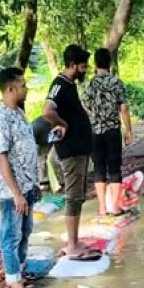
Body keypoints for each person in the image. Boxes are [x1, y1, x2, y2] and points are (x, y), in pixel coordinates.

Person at [42, 44, 100, 261]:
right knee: (73, 196)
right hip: (71, 150)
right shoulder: (59, 84)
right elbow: (47, 111)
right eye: (83, 66)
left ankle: (74, 241)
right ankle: (72, 245)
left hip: (80, 149)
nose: (85, 70)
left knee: (78, 197)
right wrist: (62, 123)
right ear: (73, 65)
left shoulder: (70, 85)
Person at [0, 67, 40, 288]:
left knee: (26, 230)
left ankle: (19, 270)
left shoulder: (18, 113)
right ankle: (13, 282)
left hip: (26, 186)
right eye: (22, 85)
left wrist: (34, 183)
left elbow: (26, 149)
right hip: (11, 191)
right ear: (11, 88)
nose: (26, 88)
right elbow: (1, 157)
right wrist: (16, 193)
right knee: (11, 234)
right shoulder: (0, 119)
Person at [83, 48, 132, 217]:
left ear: (95, 64)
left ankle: (102, 208)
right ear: (109, 63)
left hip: (95, 132)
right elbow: (124, 108)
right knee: (114, 167)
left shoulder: (88, 84)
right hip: (112, 131)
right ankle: (115, 207)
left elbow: (85, 105)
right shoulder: (116, 83)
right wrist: (128, 130)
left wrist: (94, 116)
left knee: (98, 168)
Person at [31, 116, 63, 192]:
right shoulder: (29, 133)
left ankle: (63, 183)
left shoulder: (30, 133)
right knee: (40, 157)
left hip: (56, 133)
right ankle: (44, 183)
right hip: (43, 138)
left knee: (54, 158)